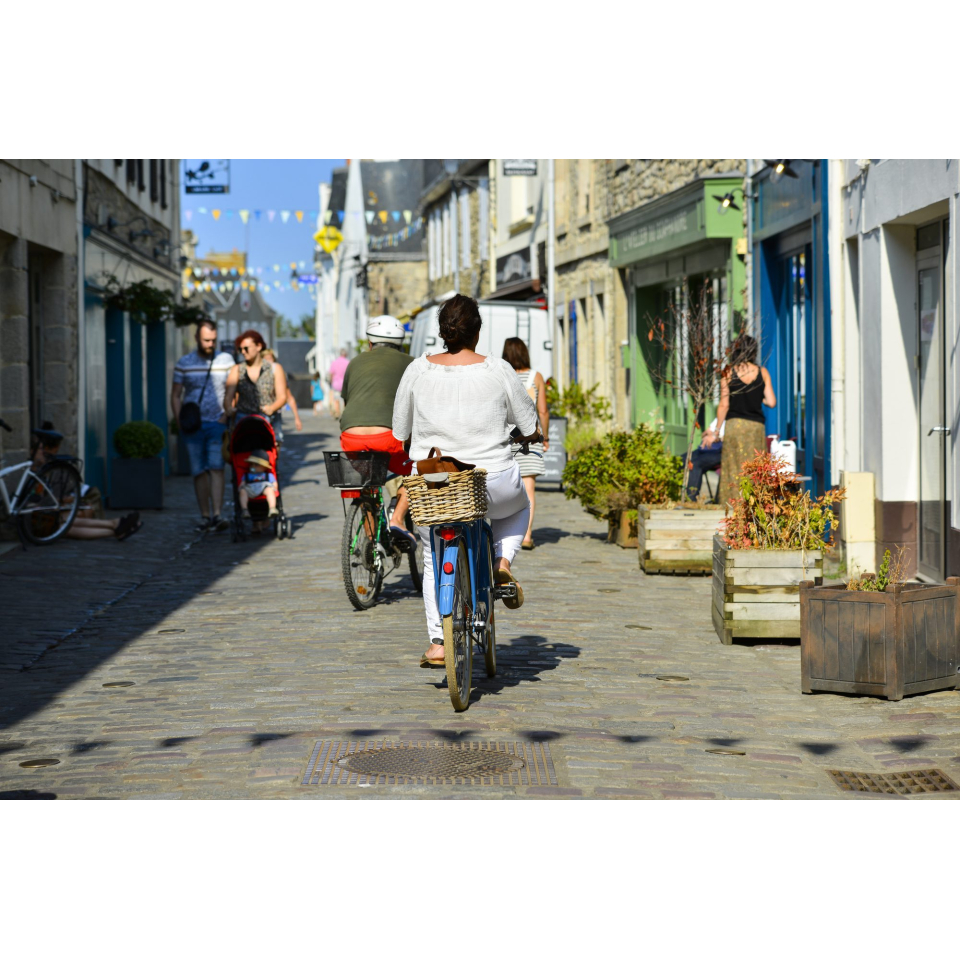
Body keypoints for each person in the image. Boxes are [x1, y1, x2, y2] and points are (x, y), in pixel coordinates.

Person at [392, 294, 542, 668]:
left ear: (443, 332)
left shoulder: (417, 370)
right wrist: (528, 435)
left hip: (436, 485)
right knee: (518, 507)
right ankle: (503, 561)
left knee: (431, 554)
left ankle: (439, 643)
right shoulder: (498, 369)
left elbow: (399, 430)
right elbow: (528, 424)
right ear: (477, 332)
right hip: (490, 480)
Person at [339, 315, 415, 541]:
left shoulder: (354, 362)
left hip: (351, 435)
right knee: (418, 471)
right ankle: (398, 518)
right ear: (400, 344)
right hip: (386, 436)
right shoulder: (410, 363)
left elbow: (347, 402)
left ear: (370, 343)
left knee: (367, 481)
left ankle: (372, 544)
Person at [171, 320, 235, 532]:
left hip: (217, 423)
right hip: (193, 425)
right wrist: (180, 421)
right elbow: (176, 395)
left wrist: (225, 417)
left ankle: (217, 514)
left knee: (216, 468)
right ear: (197, 338)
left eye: (214, 340)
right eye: (206, 340)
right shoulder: (184, 363)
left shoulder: (226, 360)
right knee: (198, 470)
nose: (210, 344)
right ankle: (204, 515)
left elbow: (232, 391)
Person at [715, 333, 776, 508]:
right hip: (755, 428)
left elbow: (724, 405)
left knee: (734, 469)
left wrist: (717, 430)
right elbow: (771, 402)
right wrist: (757, 397)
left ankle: (733, 507)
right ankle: (754, 508)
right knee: (755, 470)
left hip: (735, 426)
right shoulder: (762, 372)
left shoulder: (728, 372)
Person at [502, 337, 549, 550]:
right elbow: (543, 410)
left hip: (505, 436)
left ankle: (505, 532)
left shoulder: (503, 375)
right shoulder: (535, 376)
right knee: (528, 486)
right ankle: (527, 534)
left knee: (504, 484)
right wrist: (545, 437)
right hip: (530, 437)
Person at [223, 330, 289, 445]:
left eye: (246, 348)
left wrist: (272, 408)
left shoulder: (274, 368)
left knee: (267, 458)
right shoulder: (237, 369)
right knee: (242, 457)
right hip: (243, 420)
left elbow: (282, 397)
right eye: (240, 349)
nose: (243, 352)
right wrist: (229, 408)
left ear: (259, 346)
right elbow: (228, 396)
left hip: (268, 419)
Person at [261, 348, 303, 433]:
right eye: (265, 359)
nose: (268, 361)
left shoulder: (279, 373)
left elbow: (289, 397)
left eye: (270, 358)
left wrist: (297, 418)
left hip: (274, 413)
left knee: (277, 440)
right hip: (258, 413)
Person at [686, 418, 724, 501]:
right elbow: (708, 430)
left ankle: (691, 499)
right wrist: (708, 435)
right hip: (705, 449)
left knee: (695, 464)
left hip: (720, 452)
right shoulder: (721, 416)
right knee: (682, 460)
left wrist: (718, 437)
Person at [238, 449, 278, 519]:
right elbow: (243, 483)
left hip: (263, 488)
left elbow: (274, 483)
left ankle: (272, 508)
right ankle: (245, 510)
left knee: (269, 490)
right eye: (251, 464)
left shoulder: (268, 475)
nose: (253, 467)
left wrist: (274, 487)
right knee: (243, 491)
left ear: (264, 467)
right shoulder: (247, 475)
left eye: (256, 465)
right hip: (250, 488)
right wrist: (240, 487)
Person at [328, 348, 350, 418]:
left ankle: (337, 412)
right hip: (344, 384)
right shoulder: (347, 362)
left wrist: (331, 382)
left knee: (336, 398)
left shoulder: (334, 362)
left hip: (336, 384)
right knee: (344, 398)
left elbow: (331, 373)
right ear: (345, 354)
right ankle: (344, 412)